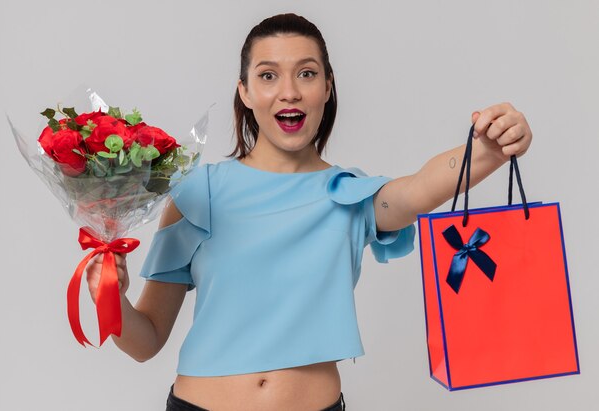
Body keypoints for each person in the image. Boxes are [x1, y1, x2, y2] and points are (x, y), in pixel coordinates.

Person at [86, 13, 532, 411]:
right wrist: (109, 293)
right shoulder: (197, 192)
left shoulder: (349, 195)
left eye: (306, 73)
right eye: (267, 76)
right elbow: (145, 342)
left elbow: (417, 190)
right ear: (244, 91)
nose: (289, 92)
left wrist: (487, 150)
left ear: (327, 86)